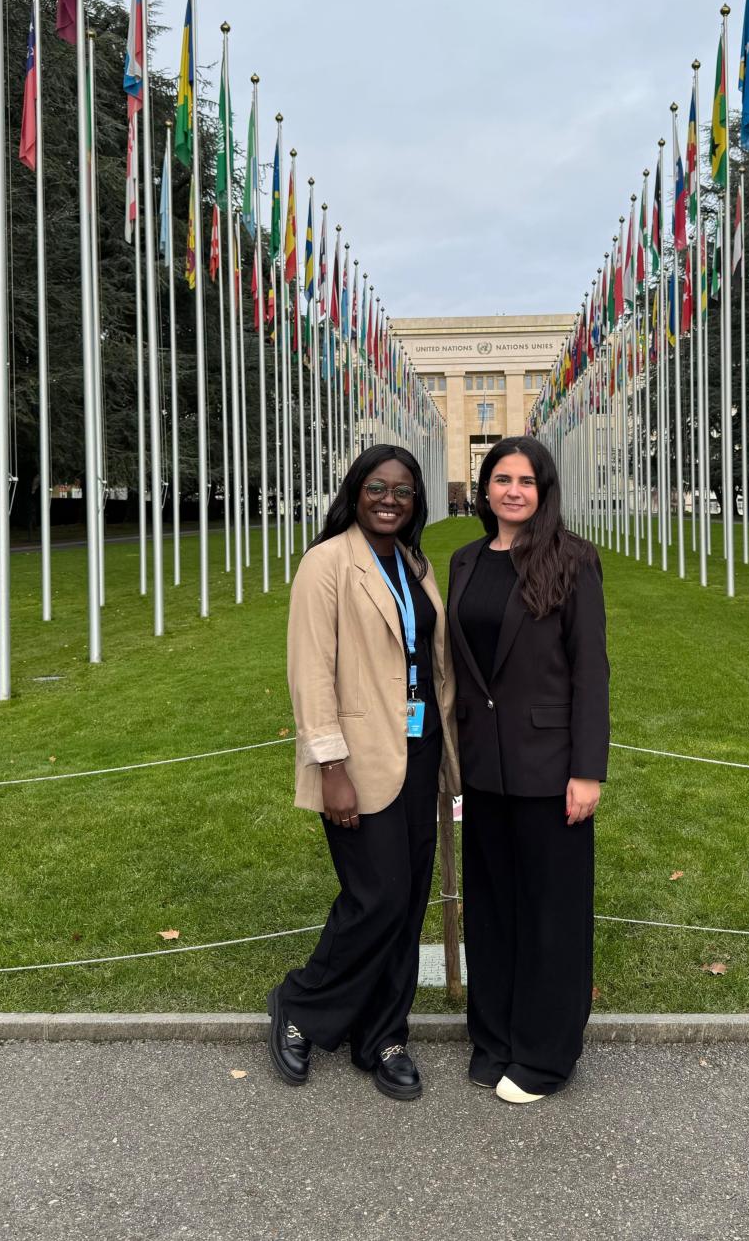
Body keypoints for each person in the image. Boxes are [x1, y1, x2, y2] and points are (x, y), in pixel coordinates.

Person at [268, 444, 460, 1102]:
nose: (389, 498)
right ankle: (300, 1004)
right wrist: (332, 767)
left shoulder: (412, 562)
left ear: (415, 501)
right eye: (376, 486)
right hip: (357, 757)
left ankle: (384, 1035)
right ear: (355, 492)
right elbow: (310, 672)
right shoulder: (327, 563)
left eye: (402, 490)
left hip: (420, 749)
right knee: (374, 897)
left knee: (405, 904)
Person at [447, 435, 609, 1104]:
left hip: (552, 770)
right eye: (501, 477)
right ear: (484, 488)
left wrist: (588, 769)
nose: (513, 489)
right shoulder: (462, 561)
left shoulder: (571, 560)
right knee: (493, 910)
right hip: (486, 769)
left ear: (544, 490)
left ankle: (545, 1054)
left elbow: (591, 672)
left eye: (526, 480)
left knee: (551, 915)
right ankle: (494, 1037)